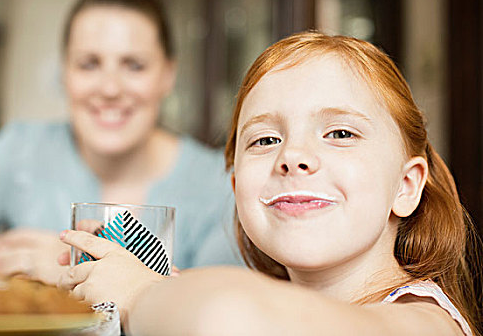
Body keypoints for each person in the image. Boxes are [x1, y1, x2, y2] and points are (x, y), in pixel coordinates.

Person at [57, 32, 482, 336]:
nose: (292, 156)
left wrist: (143, 294)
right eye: (265, 139)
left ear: (406, 186)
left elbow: (226, 316)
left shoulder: (423, 321)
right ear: (239, 186)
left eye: (339, 134)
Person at [0, 0, 242, 285]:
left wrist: (79, 269)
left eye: (134, 65)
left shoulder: (222, 186)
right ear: (64, 72)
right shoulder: (22, 149)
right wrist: (7, 256)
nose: (109, 88)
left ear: (167, 75)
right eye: (89, 64)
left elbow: (226, 306)